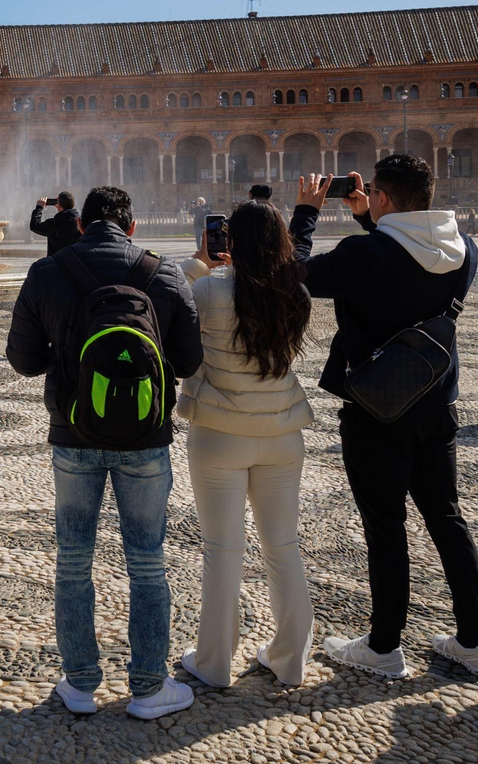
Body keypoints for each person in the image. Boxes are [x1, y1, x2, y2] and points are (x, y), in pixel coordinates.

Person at [292, 157, 478, 680]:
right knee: (446, 516)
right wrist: (372, 217)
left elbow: (291, 277)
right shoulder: (462, 249)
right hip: (437, 402)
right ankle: (473, 641)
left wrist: (306, 213)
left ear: (382, 196)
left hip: (377, 409)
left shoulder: (363, 253)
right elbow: (409, 260)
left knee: (386, 526)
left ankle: (384, 647)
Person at [7, 186, 203, 720]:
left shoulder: (49, 272)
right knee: (147, 560)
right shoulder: (163, 272)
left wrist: (69, 359)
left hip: (73, 436)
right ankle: (147, 688)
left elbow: (22, 360)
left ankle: (79, 685)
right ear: (132, 227)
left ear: (80, 225)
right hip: (145, 439)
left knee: (73, 560)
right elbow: (188, 360)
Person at [177, 198, 316, 688]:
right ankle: (290, 659)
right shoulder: (294, 290)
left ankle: (214, 662)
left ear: (228, 239)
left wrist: (201, 259)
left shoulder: (210, 287)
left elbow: (177, 306)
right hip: (280, 434)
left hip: (220, 434)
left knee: (223, 549)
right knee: (283, 547)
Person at [30, 191, 81, 256]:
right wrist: (61, 204)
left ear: (59, 205)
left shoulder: (54, 223)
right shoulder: (81, 221)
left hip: (57, 262)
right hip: (75, 260)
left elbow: (34, 226)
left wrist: (39, 208)